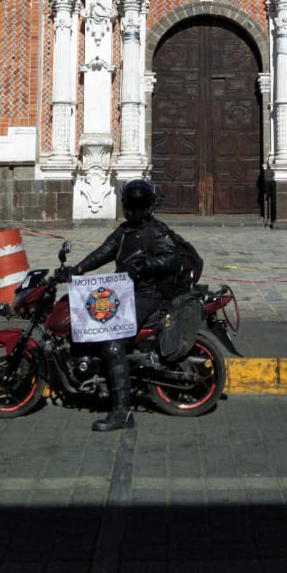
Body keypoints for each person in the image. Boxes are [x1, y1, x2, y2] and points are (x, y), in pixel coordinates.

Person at [70, 178, 197, 432]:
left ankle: (122, 412)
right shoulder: (124, 231)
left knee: (113, 341)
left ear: (148, 206)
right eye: (132, 205)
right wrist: (77, 269)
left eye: (140, 205)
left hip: (148, 295)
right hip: (125, 292)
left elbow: (173, 259)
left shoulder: (157, 231)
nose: (135, 210)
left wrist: (146, 264)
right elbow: (104, 251)